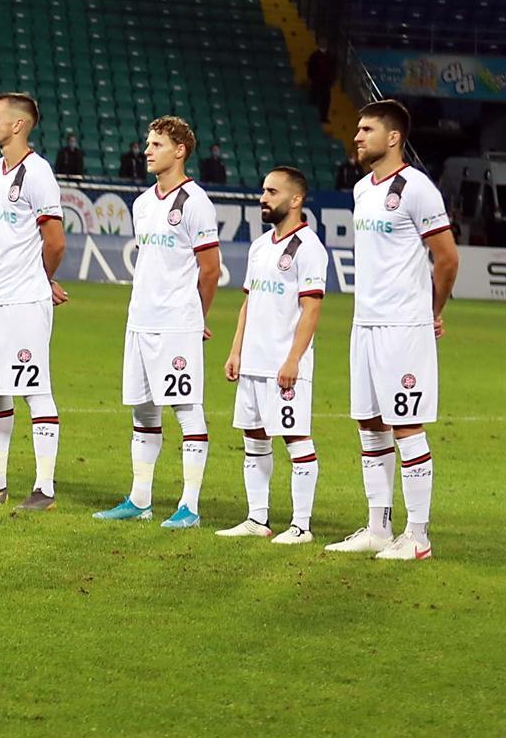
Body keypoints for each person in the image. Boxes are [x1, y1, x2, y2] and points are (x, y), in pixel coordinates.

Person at [325, 99, 459, 561]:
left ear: (393, 137)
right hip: (365, 323)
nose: (357, 136)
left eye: (366, 129)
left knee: (406, 425)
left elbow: (447, 259)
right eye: (357, 129)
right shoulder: (363, 189)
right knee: (369, 423)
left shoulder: (418, 189)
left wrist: (432, 310)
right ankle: (378, 526)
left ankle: (418, 536)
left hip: (404, 325)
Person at [93, 116, 221, 528]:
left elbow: (210, 270)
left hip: (176, 325)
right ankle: (140, 499)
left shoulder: (197, 202)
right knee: (144, 413)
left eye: (156, 144)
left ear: (180, 150)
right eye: (148, 143)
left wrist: (195, 318)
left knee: (186, 410)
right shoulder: (144, 203)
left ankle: (190, 506)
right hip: (139, 321)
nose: (147, 150)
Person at [0, 93, 64, 510]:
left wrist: (42, 279)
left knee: (35, 388)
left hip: (23, 299)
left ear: (18, 125)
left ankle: (45, 489)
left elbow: (54, 240)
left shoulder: (38, 173)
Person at [216, 166, 327, 544]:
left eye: (272, 191)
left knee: (296, 438)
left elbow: (311, 309)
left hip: (285, 363)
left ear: (295, 199)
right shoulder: (260, 245)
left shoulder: (309, 248)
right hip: (253, 362)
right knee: (254, 438)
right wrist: (236, 351)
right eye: (263, 190)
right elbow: (248, 304)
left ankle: (301, 525)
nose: (263, 198)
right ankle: (257, 518)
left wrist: (294, 359)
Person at [306, 44, 337, 120]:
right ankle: (311, 117)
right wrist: (312, 78)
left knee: (326, 100)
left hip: (326, 82)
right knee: (314, 99)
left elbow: (333, 69)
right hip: (316, 81)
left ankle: (323, 117)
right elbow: (310, 68)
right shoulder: (314, 55)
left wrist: (332, 79)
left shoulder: (330, 56)